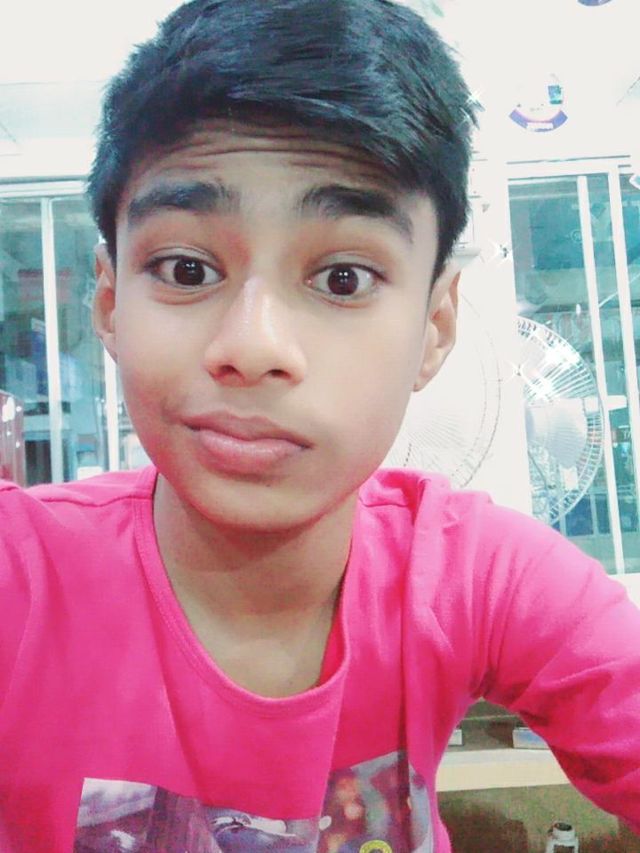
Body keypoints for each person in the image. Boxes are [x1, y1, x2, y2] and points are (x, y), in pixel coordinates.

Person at [0, 0, 639, 850]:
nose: (252, 346)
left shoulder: (480, 578)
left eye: (342, 278)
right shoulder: (21, 580)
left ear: (435, 326)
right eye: (186, 268)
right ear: (111, 303)